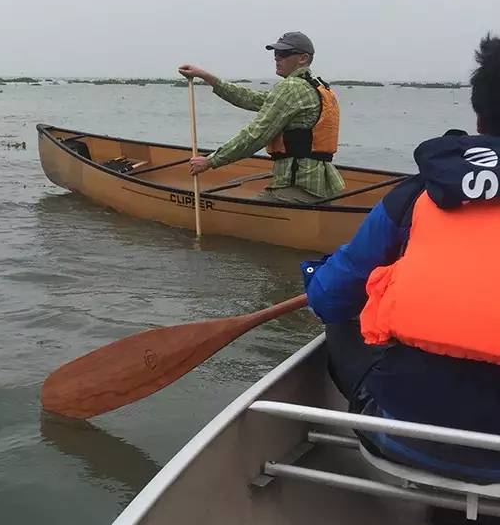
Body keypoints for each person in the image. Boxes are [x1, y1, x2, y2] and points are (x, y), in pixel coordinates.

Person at [301, 33, 500, 487]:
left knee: (345, 312)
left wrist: (319, 275)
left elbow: (329, 301)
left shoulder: (416, 196)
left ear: (478, 114)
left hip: (400, 436)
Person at [179, 31, 345, 204]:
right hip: (320, 185)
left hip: (299, 186)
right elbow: (253, 99)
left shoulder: (292, 87)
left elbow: (256, 135)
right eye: (275, 54)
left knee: (243, 219)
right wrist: (206, 77)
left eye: (283, 54)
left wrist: (210, 161)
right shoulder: (313, 85)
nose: (276, 58)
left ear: (303, 58)